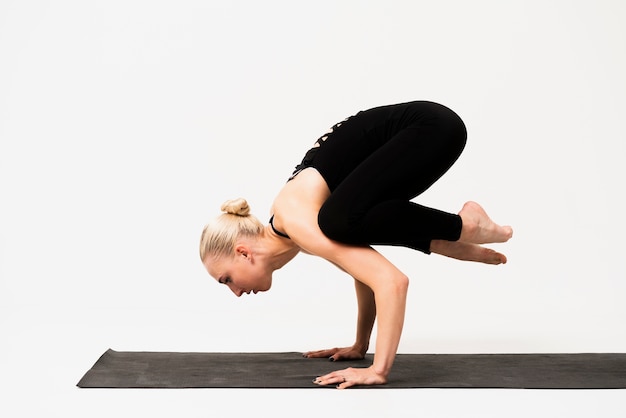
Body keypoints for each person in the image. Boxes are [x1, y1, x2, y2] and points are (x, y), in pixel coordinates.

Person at [199, 100, 513, 389]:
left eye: (227, 279)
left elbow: (391, 282)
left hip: (429, 128)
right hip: (432, 131)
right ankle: (451, 237)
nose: (236, 292)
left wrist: (378, 370)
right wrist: (360, 345)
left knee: (337, 221)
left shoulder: (296, 222)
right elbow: (364, 274)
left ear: (243, 253)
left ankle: (463, 227)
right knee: (344, 223)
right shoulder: (295, 228)